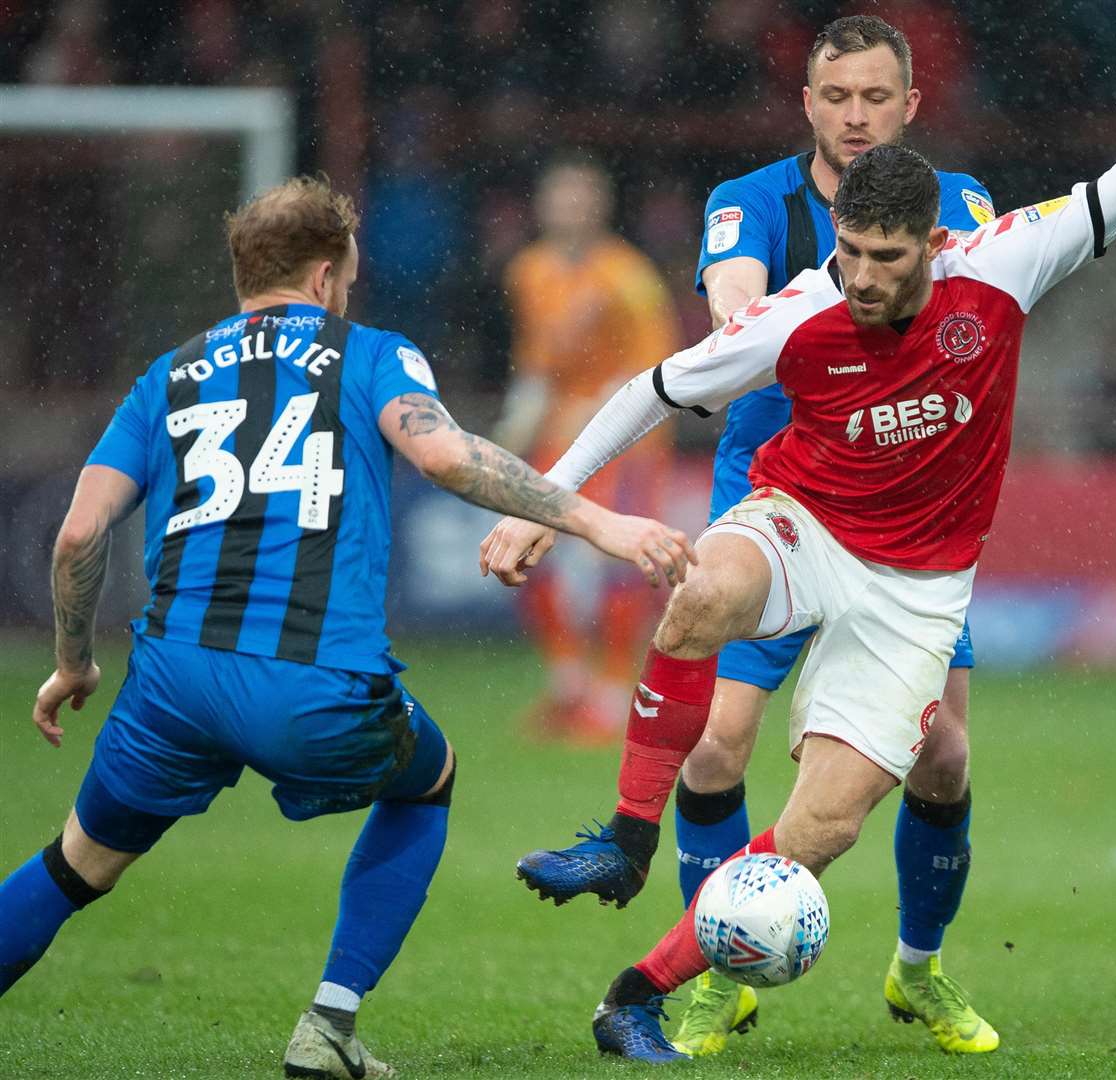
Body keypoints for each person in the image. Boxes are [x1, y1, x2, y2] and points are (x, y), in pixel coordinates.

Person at [482, 115, 1116, 1061]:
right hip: (804, 523)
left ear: (935, 244)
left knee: (820, 827)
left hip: (915, 592)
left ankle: (631, 998)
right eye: (849, 250)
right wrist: (545, 502)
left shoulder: (1005, 262)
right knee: (700, 590)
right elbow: (653, 391)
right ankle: (629, 839)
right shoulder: (807, 307)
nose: (865, 276)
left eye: (888, 257)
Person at [0, 176, 695, 1080]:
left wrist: (71, 662)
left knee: (75, 863)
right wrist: (602, 524)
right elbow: (445, 454)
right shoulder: (369, 355)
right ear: (327, 274)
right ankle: (328, 1026)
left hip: (171, 683)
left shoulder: (167, 374)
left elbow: (78, 535)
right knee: (426, 778)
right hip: (310, 680)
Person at [504, 14, 999, 1056]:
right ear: (805, 103)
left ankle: (918, 970)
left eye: (875, 97)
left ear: (910, 105)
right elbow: (731, 310)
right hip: (782, 500)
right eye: (836, 97)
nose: (854, 116)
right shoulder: (750, 202)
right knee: (716, 749)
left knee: (943, 758)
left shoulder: (956, 206)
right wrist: (788, 316)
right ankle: (714, 977)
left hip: (905, 514)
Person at [495, 155, 682, 744]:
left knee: (616, 565)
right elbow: (536, 364)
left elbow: (659, 368)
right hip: (557, 436)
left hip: (627, 441)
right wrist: (515, 423)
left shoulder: (629, 276)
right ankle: (568, 686)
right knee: (533, 553)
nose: (569, 207)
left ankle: (611, 691)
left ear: (599, 205)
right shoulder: (528, 272)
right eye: (560, 196)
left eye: (581, 197)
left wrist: (597, 407)